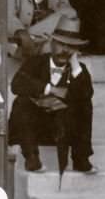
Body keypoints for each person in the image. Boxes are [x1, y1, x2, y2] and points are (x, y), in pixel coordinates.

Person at [9, 17, 95, 174]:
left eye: (71, 47)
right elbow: (17, 85)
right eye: (62, 44)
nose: (66, 50)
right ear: (52, 43)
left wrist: (75, 65)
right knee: (22, 102)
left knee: (85, 104)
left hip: (62, 128)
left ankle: (81, 159)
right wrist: (50, 89)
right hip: (36, 128)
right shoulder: (36, 62)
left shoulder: (78, 70)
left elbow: (87, 94)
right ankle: (32, 158)